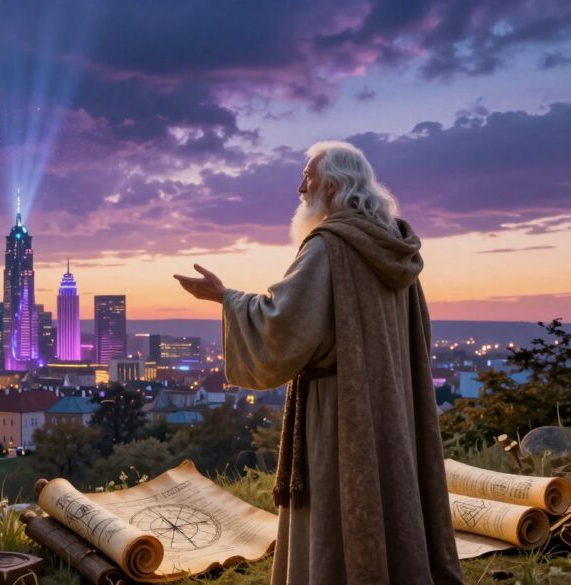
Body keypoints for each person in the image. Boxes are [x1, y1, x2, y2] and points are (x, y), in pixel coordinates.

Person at [174, 141, 463, 584]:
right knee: (391, 492)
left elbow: (283, 320)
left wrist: (225, 297)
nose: (299, 187)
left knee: (337, 496)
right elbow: (416, 335)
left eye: (307, 177)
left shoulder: (328, 246)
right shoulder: (396, 246)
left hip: (340, 406)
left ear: (331, 185)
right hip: (393, 398)